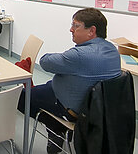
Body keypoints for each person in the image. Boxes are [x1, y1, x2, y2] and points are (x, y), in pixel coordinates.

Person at [17, 8, 121, 153]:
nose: (70, 30)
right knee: (43, 87)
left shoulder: (79, 55)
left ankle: (56, 128)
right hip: (97, 111)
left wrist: (65, 56)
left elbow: (45, 62)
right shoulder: (112, 50)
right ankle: (56, 130)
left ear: (92, 31)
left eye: (76, 26)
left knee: (20, 97)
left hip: (68, 107)